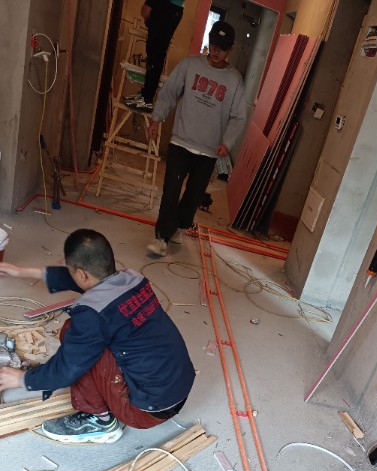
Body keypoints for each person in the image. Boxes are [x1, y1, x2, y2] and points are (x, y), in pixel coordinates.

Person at [0, 229, 196, 444]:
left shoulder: (91, 315)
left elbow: (66, 370)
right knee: (97, 338)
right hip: (177, 391)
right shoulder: (133, 279)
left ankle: (100, 421)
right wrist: (22, 271)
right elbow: (83, 279)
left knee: (73, 335)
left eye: (73, 271)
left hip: (147, 411)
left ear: (82, 274)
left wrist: (21, 379)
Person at [146, 20, 247, 257]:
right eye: (213, 45)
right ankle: (161, 238)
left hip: (208, 151)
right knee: (170, 192)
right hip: (181, 141)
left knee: (193, 198)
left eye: (222, 48)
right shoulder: (190, 65)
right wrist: (156, 118)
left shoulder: (234, 80)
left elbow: (238, 117)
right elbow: (169, 92)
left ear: (230, 49)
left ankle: (179, 226)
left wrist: (228, 142)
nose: (216, 52)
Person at [125, 0, 185, 114]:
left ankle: (146, 98)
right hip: (171, 7)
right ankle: (146, 96)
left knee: (156, 53)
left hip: (168, 6)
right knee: (155, 52)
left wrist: (150, 3)